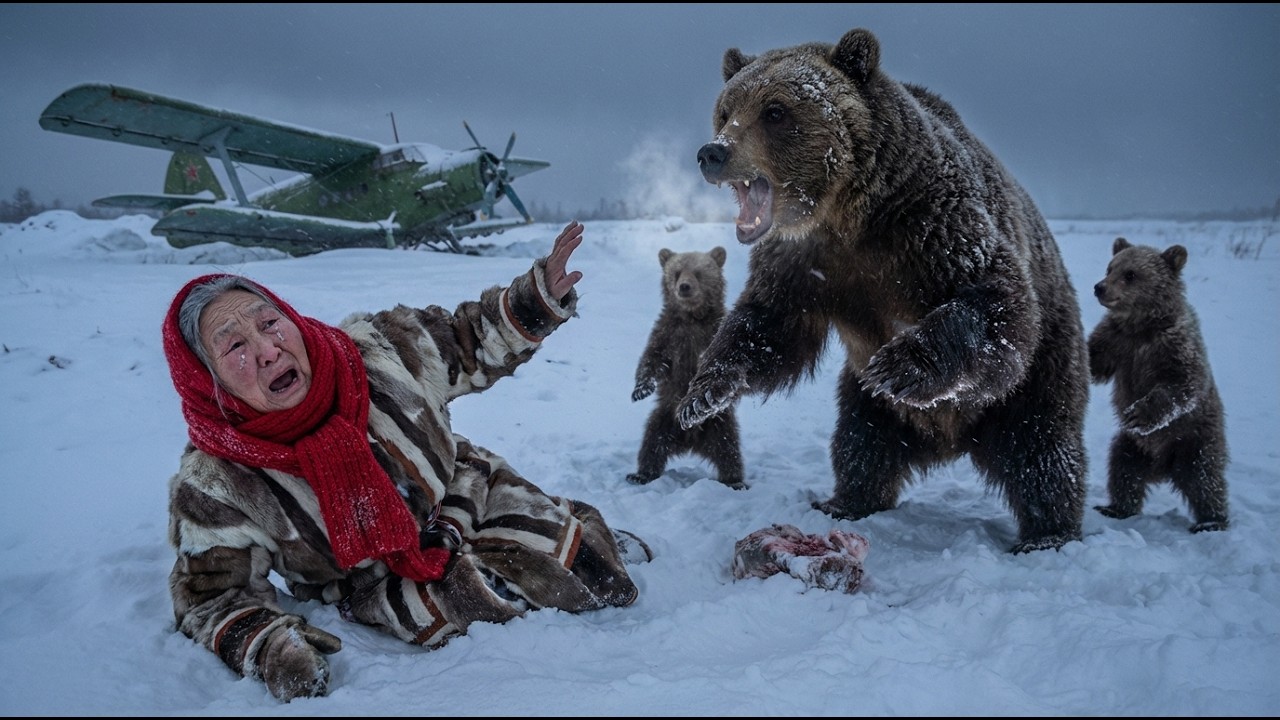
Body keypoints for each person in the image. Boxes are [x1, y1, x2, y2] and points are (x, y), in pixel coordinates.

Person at [160, 221, 649, 702]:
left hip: (460, 493)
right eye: (235, 346)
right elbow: (212, 594)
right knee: (482, 602)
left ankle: (571, 526)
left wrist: (536, 297)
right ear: (208, 380)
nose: (267, 350)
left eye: (269, 323)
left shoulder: (377, 350)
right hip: (373, 576)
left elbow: (466, 338)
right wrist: (267, 646)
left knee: (590, 570)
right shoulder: (216, 482)